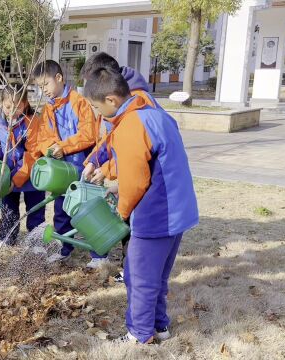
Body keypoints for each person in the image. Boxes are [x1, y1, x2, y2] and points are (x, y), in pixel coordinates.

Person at [82, 67, 199, 344]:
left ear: (111, 99)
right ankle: (160, 327)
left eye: (96, 107)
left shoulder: (132, 125)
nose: (98, 114)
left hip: (155, 215)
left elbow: (135, 182)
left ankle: (139, 334)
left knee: (139, 278)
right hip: (177, 214)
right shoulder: (156, 114)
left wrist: (120, 215)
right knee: (157, 276)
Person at [79, 52, 160, 269]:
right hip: (124, 174)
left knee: (132, 229)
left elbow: (134, 151)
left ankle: (130, 270)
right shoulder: (117, 103)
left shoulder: (138, 104)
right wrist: (94, 161)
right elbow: (109, 140)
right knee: (127, 225)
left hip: (138, 179)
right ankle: (128, 269)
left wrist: (107, 168)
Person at [31, 60, 98, 263]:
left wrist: (65, 146)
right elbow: (43, 137)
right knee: (61, 209)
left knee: (87, 210)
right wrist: (51, 148)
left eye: (46, 85)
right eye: (40, 87)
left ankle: (98, 254)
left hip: (81, 167)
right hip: (60, 170)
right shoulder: (48, 109)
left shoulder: (79, 102)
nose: (44, 91)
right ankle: (64, 247)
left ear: (59, 78)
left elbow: (89, 133)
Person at [0, 83, 45, 248]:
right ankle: (6, 239)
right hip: (7, 172)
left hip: (31, 173)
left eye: (17, 107)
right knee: (8, 208)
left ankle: (36, 242)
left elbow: (33, 154)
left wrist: (17, 178)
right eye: (7, 106)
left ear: (25, 104)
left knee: (35, 208)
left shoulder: (32, 122)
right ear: (2, 103)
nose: (11, 111)